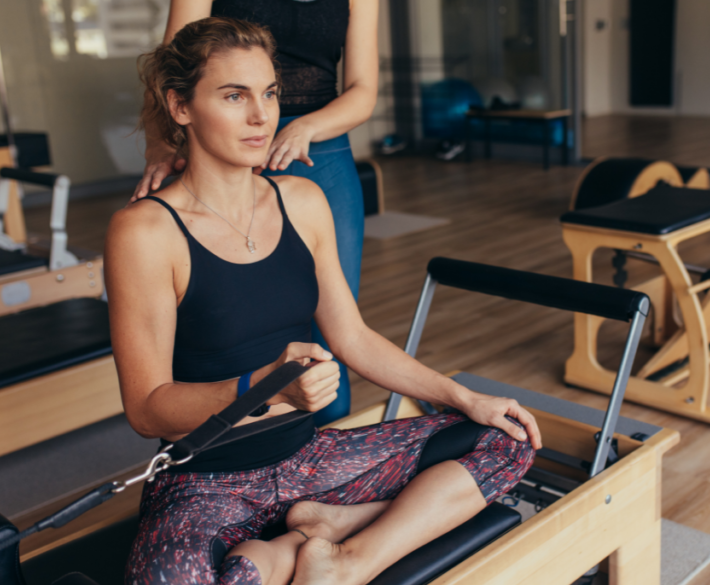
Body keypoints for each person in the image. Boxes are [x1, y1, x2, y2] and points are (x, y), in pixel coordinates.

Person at [107, 18, 538, 585]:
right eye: (234, 96)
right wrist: (263, 386)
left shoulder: (302, 202)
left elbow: (351, 336)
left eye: (270, 94)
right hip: (207, 480)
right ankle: (309, 542)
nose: (263, 116)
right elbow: (145, 408)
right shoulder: (144, 231)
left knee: (504, 439)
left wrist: (465, 397)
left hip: (311, 462)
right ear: (180, 106)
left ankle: (346, 554)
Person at [131, 0, 378, 425]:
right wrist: (160, 147)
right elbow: (169, 75)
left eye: (270, 92)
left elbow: (362, 89)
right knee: (218, 323)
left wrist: (305, 128)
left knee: (331, 331)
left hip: (320, 145)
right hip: (218, 135)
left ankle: (319, 447)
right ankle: (239, 449)